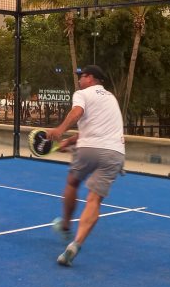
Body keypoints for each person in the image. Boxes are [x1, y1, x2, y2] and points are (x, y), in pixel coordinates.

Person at [45, 65, 125, 267]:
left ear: (90, 78)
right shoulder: (111, 98)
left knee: (72, 182)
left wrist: (60, 129)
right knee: (94, 200)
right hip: (115, 152)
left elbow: (77, 112)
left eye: (81, 76)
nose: (79, 80)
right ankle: (76, 244)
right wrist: (69, 141)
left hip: (90, 149)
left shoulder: (82, 93)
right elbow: (97, 129)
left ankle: (65, 226)